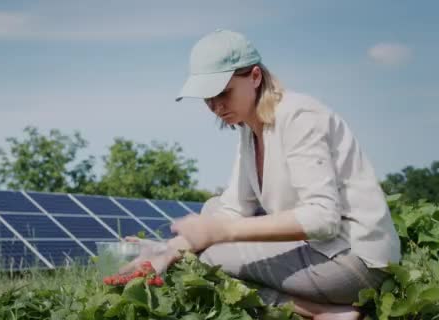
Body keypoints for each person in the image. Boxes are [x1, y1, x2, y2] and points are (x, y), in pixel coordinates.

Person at [123, 29, 401, 320]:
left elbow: (323, 218)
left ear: (255, 77)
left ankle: (322, 311)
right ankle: (325, 312)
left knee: (210, 255)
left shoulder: (298, 116)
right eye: (207, 98)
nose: (216, 107)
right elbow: (232, 209)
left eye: (223, 93)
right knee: (213, 209)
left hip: (356, 261)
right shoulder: (250, 130)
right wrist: (167, 250)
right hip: (320, 252)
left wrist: (222, 232)